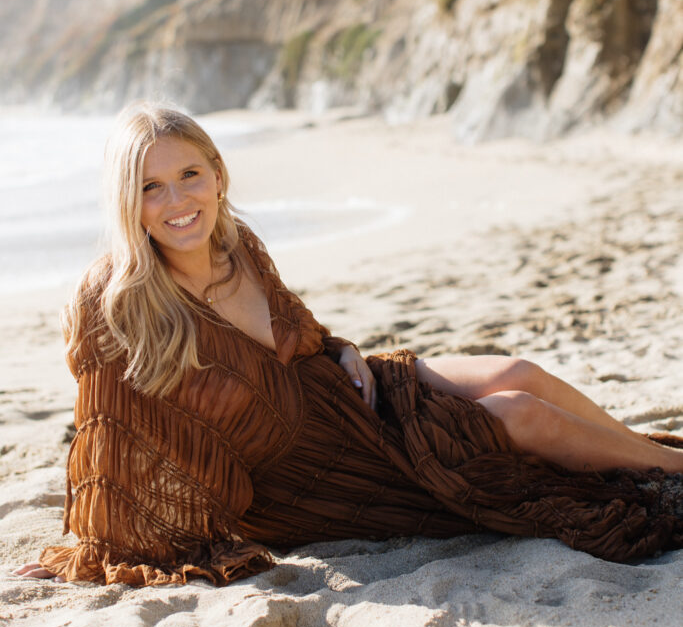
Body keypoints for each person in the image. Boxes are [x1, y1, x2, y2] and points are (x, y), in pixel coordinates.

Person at [15, 104, 683, 587]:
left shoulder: (239, 242)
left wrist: (340, 351)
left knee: (518, 371)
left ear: (217, 173)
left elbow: (298, 331)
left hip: (343, 394)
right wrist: (92, 546)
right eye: (149, 187)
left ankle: (652, 460)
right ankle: (666, 473)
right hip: (307, 474)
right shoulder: (116, 300)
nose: (177, 200)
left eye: (190, 174)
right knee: (520, 416)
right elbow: (107, 433)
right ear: (127, 202)